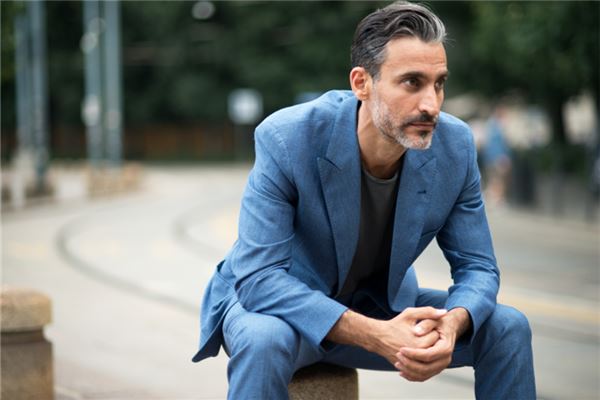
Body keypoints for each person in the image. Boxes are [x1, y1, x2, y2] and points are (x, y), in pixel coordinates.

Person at [192, 2, 536, 399]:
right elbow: (259, 280)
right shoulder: (287, 138)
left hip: (378, 306)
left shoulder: (455, 146)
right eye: (412, 82)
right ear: (361, 83)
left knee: (507, 326)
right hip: (283, 309)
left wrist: (454, 322)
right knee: (263, 340)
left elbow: (478, 267)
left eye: (439, 83)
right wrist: (376, 334)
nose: (431, 104)